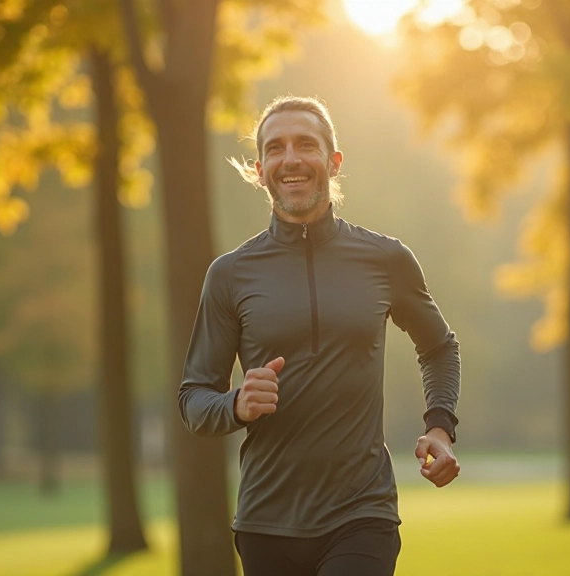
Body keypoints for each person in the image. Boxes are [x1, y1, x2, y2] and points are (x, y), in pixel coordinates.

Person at [178, 95, 461, 576]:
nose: (290, 158)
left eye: (306, 144)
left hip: (362, 513)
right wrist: (236, 404)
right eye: (275, 148)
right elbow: (193, 399)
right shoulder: (229, 274)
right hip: (266, 521)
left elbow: (438, 347)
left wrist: (440, 426)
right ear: (260, 170)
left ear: (333, 162)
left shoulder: (386, 259)